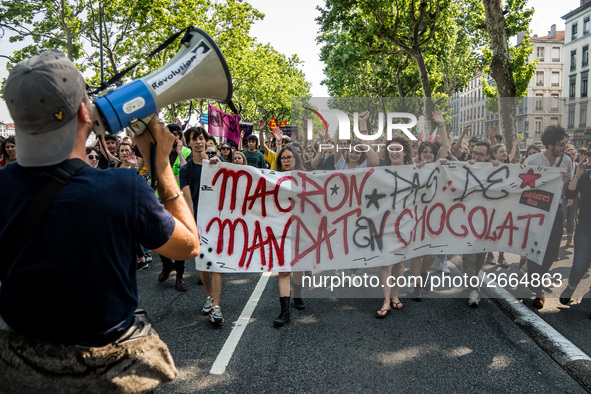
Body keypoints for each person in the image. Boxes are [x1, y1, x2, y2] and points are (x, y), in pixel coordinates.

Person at [0, 50, 200, 390]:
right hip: (109, 374)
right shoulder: (121, 187)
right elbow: (188, 247)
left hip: (21, 374)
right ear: (83, 111)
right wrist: (161, 163)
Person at [179, 126, 226, 324]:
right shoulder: (185, 170)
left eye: (201, 138)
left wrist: (218, 166)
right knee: (202, 263)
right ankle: (209, 295)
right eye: (194, 139)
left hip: (217, 221)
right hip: (198, 222)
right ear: (188, 143)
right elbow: (188, 200)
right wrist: (191, 225)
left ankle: (216, 305)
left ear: (206, 141)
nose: (198, 142)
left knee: (216, 263)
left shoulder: (217, 163)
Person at [523, 125, 572, 309]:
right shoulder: (533, 160)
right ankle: (538, 290)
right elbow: (523, 186)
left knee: (552, 251)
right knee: (536, 250)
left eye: (566, 144)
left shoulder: (566, 161)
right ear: (550, 145)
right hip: (535, 211)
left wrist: (567, 183)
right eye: (561, 145)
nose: (565, 148)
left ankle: (535, 277)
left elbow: (565, 192)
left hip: (556, 211)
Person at [375, 137, 414, 318]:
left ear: (405, 151)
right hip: (385, 221)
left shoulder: (415, 170)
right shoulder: (381, 170)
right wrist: (363, 127)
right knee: (385, 263)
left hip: (405, 222)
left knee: (399, 262)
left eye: (398, 148)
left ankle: (396, 295)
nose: (395, 151)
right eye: (391, 149)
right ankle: (385, 300)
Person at [273, 145, 306, 327]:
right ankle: (285, 311)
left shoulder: (304, 177)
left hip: (301, 228)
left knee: (299, 266)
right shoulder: (272, 178)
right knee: (284, 269)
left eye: (289, 157)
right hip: (281, 229)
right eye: (283, 158)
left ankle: (298, 295)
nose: (286, 160)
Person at [559, 154, 591, 317]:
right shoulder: (585, 175)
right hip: (586, 225)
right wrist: (577, 174)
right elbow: (570, 195)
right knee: (580, 263)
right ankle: (571, 286)